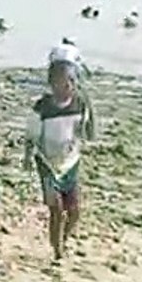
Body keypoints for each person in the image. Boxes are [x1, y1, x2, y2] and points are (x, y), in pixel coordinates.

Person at [25, 60, 94, 263]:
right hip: (47, 162)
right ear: (53, 83)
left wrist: (85, 136)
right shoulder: (43, 107)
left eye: (73, 81)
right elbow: (31, 136)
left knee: (74, 210)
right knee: (56, 208)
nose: (70, 86)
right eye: (66, 81)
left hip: (70, 161)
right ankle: (57, 249)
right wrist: (28, 157)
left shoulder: (80, 103)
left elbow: (85, 128)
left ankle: (64, 237)